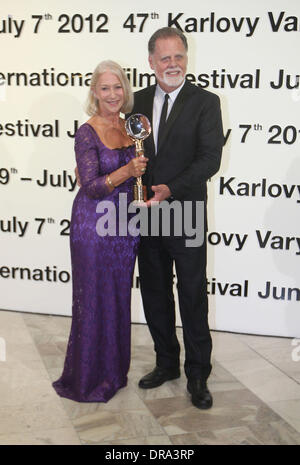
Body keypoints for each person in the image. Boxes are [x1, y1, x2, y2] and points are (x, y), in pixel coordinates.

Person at [129, 27, 224, 409]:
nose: (173, 64)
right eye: (165, 57)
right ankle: (166, 362)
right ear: (151, 62)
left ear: (187, 58)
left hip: (184, 209)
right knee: (154, 292)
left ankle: (198, 372)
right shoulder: (132, 102)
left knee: (191, 293)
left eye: (179, 56)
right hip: (146, 213)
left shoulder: (206, 102)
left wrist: (170, 188)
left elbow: (209, 160)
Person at [52, 60, 148, 402]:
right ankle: (88, 378)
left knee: (117, 299)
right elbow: (92, 187)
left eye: (118, 86)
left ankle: (113, 372)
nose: (112, 94)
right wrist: (127, 171)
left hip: (124, 228)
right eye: (105, 88)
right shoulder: (87, 131)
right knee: (94, 300)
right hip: (93, 226)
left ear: (126, 90)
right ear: (94, 91)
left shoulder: (132, 126)